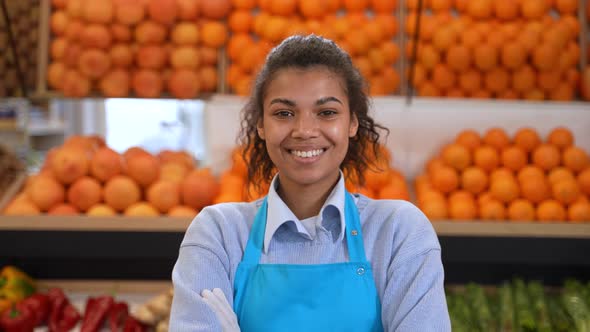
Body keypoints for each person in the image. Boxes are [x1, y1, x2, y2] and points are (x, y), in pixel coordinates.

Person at [170, 34, 451, 331]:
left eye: (327, 112)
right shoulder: (219, 234)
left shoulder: (398, 233)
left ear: (352, 122)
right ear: (261, 125)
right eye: (284, 113)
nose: (304, 130)